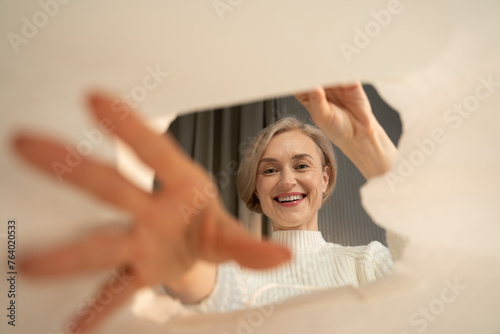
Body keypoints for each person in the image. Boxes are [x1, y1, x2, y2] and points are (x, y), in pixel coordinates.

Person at [13, 82, 399, 332]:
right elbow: (216, 292)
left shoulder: (367, 262)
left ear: (326, 178)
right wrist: (187, 261)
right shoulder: (229, 270)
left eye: (301, 165)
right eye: (269, 170)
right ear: (256, 187)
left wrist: (367, 142)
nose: (286, 181)